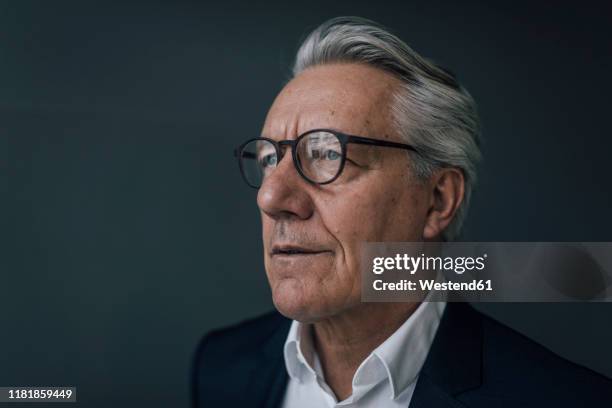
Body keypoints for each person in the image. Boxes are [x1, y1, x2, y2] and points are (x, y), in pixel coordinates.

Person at [192, 16, 612, 407]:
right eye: (268, 159)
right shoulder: (221, 367)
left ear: (438, 201)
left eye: (325, 154)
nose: (271, 198)